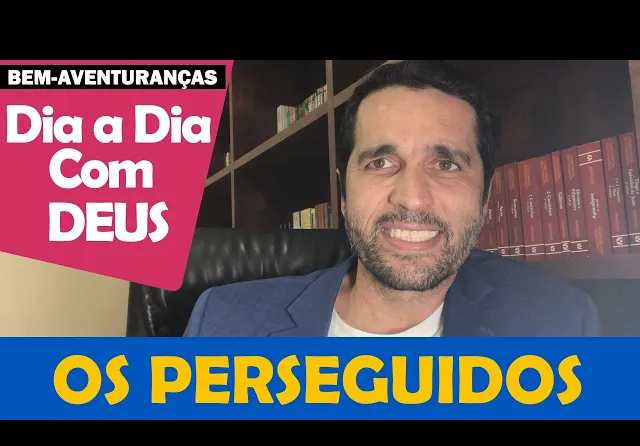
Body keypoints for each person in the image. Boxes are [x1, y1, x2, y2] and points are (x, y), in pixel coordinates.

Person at [184, 60, 601, 337]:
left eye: (446, 164)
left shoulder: (561, 325)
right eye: (381, 162)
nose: (412, 199)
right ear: (344, 192)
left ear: (486, 195)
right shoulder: (223, 323)